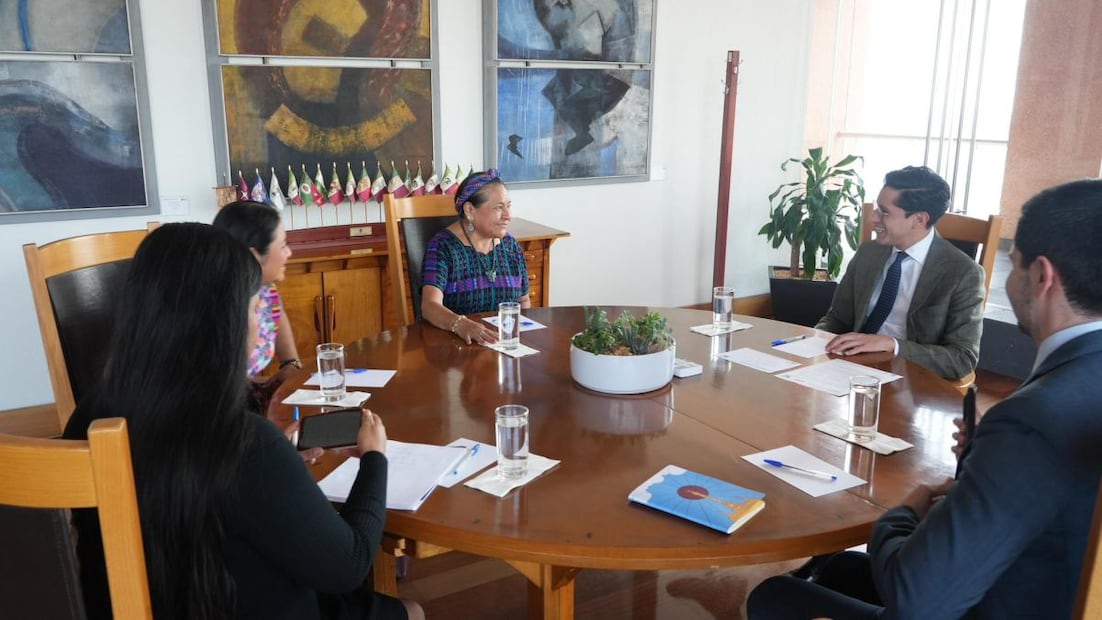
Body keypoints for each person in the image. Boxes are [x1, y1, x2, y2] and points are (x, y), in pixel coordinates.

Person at [748, 179, 1102, 619]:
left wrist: (900, 513)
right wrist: (987, 462)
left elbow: (918, 600)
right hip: (1038, 579)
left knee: (773, 595)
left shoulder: (1029, 421)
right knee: (835, 566)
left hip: (986, 597)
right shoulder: (1073, 388)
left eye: (1014, 263)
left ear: (1042, 276)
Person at [63, 223, 423, 620]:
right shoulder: (246, 442)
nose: (258, 326)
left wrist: (278, 461)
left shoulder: (88, 415)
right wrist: (375, 459)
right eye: (255, 309)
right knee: (410, 610)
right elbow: (349, 565)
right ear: (225, 322)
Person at [815, 166, 985, 380]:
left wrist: (891, 345)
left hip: (913, 379)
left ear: (920, 220)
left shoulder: (963, 274)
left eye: (884, 212)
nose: (873, 219)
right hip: (851, 368)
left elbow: (962, 358)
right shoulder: (869, 252)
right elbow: (837, 318)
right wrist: (815, 342)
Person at [420, 169, 530, 344]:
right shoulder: (442, 247)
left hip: (504, 347)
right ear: (470, 210)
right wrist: (461, 324)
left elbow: (523, 301)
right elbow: (429, 306)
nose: (508, 216)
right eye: (498, 208)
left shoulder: (511, 246)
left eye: (508, 206)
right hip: (456, 351)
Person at [213, 200, 302, 382]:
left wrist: (290, 367)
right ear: (253, 256)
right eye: (283, 245)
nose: (289, 253)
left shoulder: (267, 292)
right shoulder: (216, 309)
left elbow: (291, 362)